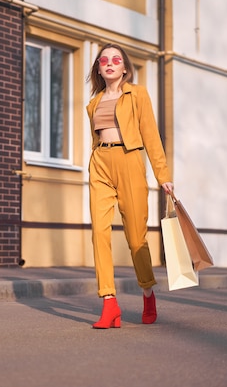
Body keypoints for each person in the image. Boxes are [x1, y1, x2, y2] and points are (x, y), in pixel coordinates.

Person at [86, 43, 174, 329]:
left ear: (124, 68)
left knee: (136, 238)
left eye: (115, 59)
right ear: (99, 67)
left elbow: (151, 135)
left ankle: (148, 293)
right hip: (100, 162)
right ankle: (109, 302)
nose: (109, 63)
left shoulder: (138, 94)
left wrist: (163, 177)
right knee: (99, 232)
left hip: (129, 160)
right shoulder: (94, 102)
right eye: (104, 60)